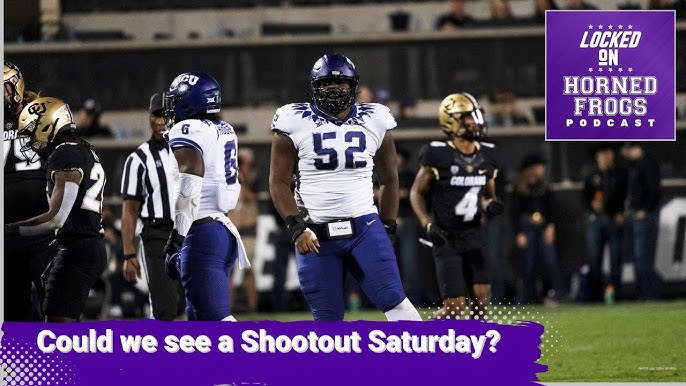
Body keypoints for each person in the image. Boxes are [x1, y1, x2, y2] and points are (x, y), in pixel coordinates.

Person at [268, 53, 421, 321]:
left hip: (365, 226)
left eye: (342, 84)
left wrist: (388, 226)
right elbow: (278, 182)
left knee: (396, 301)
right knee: (328, 321)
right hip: (314, 232)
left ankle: (424, 361)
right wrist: (296, 228)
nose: (335, 89)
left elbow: (389, 180)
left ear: (354, 86)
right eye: (327, 83)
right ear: (316, 87)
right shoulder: (293, 119)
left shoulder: (375, 118)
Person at [6, 96, 108, 322]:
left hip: (78, 247)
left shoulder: (65, 153)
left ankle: (74, 359)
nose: (30, 138)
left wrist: (10, 231)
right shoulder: (77, 149)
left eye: (32, 129)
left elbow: (56, 219)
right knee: (59, 317)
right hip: (83, 245)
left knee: (59, 326)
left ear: (48, 125)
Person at [162, 71, 251, 321]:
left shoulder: (187, 129)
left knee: (216, 322)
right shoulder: (223, 129)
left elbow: (191, 179)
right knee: (199, 324)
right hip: (220, 232)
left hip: (200, 232)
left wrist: (177, 238)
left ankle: (262, 359)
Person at [410, 92, 504, 320]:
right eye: (469, 117)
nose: (476, 122)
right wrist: (427, 223)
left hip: (474, 234)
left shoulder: (489, 155)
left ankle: (475, 348)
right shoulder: (437, 154)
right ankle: (426, 336)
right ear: (451, 121)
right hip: (446, 236)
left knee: (481, 295)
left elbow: (488, 194)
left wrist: (490, 204)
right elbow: (416, 192)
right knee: (455, 306)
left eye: (476, 116)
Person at [120, 93, 183, 320]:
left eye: (165, 115)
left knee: (193, 304)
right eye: (156, 115)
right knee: (165, 307)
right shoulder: (138, 159)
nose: (160, 121)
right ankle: (160, 354)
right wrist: (129, 253)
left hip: (189, 232)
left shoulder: (190, 150)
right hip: (157, 235)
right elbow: (129, 209)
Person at [3, 61, 57, 321]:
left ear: (16, 87)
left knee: (56, 303)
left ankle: (68, 360)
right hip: (6, 233)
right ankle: (27, 361)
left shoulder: (40, 116)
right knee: (15, 311)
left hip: (42, 230)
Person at [512, 154, 564, 305]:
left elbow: (552, 210)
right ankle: (527, 297)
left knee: (550, 260)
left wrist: (550, 226)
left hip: (543, 226)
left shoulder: (545, 188)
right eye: (540, 166)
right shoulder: (520, 189)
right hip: (527, 226)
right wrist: (519, 233)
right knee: (528, 263)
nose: (543, 170)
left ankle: (556, 293)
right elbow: (514, 213)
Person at [581, 144, 628, 302]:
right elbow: (584, 200)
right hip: (596, 221)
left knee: (616, 260)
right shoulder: (591, 175)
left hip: (613, 219)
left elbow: (626, 195)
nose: (606, 156)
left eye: (608, 153)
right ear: (597, 156)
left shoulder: (621, 173)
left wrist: (621, 211)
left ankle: (617, 296)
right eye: (602, 153)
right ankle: (596, 297)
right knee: (594, 261)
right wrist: (592, 206)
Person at [622, 142, 661, 301]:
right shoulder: (635, 165)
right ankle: (643, 295)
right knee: (638, 258)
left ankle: (650, 295)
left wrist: (645, 210)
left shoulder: (648, 164)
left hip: (644, 216)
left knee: (643, 258)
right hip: (635, 215)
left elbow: (654, 190)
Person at [228, 148, 259, 313]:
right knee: (227, 270)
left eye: (243, 160)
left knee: (249, 269)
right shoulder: (229, 177)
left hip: (247, 230)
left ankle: (253, 307)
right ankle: (227, 308)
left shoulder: (253, 178)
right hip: (231, 228)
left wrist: (243, 179)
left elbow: (250, 198)